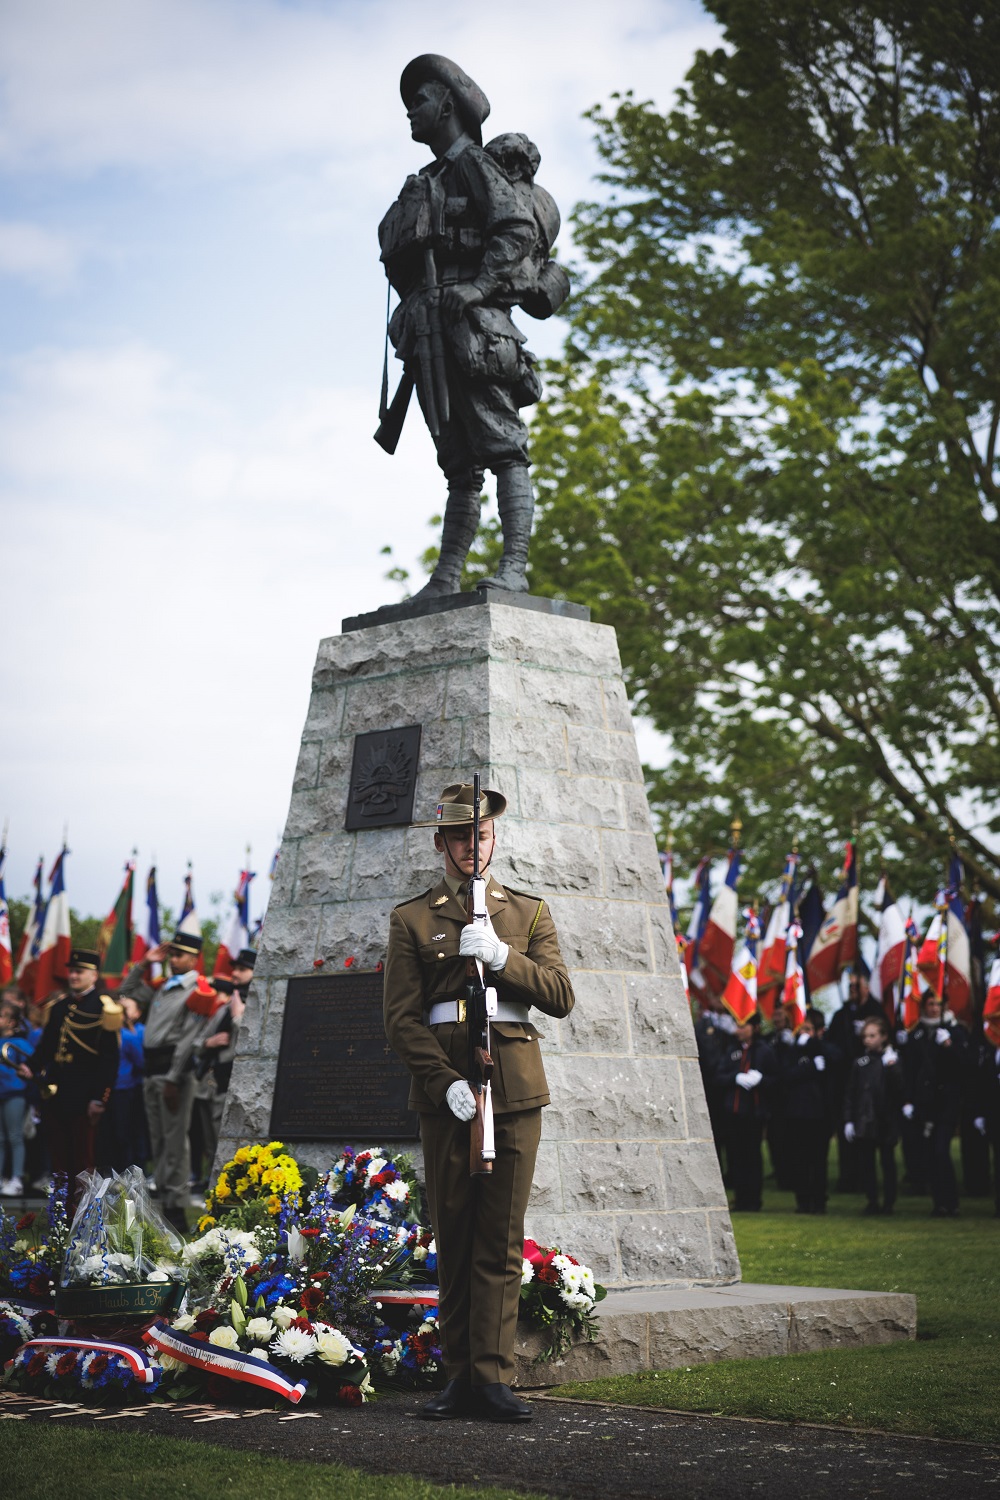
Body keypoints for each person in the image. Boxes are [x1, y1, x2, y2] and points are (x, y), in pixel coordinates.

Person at [384, 782, 574, 1423]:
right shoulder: (412, 919)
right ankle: (459, 1376)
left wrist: (502, 956)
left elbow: (558, 994)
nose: (473, 847)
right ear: (442, 843)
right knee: (455, 1233)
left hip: (514, 1091)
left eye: (483, 835)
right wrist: (445, 1084)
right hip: (450, 1099)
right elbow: (402, 1021)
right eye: (461, 837)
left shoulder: (527, 912)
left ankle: (493, 1377)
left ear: (495, 839)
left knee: (498, 1236)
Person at [377, 55, 568, 596]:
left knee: (503, 447)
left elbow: (514, 229)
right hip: (430, 330)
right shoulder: (428, 178)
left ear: (447, 104)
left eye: (418, 101)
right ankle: (446, 578)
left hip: (474, 331)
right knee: (459, 467)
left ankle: (515, 568)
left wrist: (481, 288)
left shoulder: (474, 166)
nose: (410, 112)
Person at [119, 930, 221, 1235]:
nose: (172, 959)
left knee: (175, 1142)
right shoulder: (164, 987)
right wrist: (144, 963)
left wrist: (175, 1078)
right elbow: (122, 993)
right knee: (159, 1141)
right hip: (152, 1071)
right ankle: (163, 1201)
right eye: (170, 954)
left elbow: (188, 1040)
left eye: (179, 954)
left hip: (173, 1073)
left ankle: (176, 1208)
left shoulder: (198, 991)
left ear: (193, 958)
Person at [15, 948, 122, 1211]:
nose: (73, 975)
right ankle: (61, 1213)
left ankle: (84, 1214)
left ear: (94, 975)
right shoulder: (60, 1006)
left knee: (83, 1159)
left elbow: (110, 1059)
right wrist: (30, 1066)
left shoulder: (105, 1008)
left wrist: (100, 1097)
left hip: (86, 1094)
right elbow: (47, 1046)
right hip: (57, 1092)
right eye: (72, 971)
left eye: (80, 971)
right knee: (59, 1157)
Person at [900, 992, 971, 1217]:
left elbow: (963, 1067)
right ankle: (939, 1203)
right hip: (925, 1103)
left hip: (947, 1102)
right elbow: (910, 1070)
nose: (934, 1009)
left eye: (938, 1004)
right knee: (929, 1153)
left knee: (941, 1151)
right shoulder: (918, 1033)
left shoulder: (955, 1031)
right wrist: (908, 1099)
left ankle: (952, 1202)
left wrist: (949, 1045)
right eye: (930, 1004)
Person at [826, 964, 884, 1191]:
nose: (851, 989)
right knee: (846, 1131)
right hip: (845, 1082)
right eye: (849, 985)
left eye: (855, 985)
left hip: (870, 1083)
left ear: (866, 987)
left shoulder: (875, 1010)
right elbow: (830, 1043)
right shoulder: (842, 1014)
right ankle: (847, 1177)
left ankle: (866, 1179)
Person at [779, 1007, 842, 1214]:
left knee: (818, 1159)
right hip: (796, 1114)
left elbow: (836, 1059)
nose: (803, 1033)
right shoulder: (793, 1051)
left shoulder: (825, 1048)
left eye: (807, 1029)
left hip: (819, 1115)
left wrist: (815, 1046)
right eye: (801, 1029)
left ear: (819, 1031)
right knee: (799, 1159)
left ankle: (819, 1200)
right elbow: (786, 1074)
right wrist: (810, 1067)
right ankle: (803, 1200)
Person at [713, 1010, 777, 1212]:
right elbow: (719, 1077)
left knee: (753, 1156)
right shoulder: (731, 1049)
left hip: (754, 1112)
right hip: (734, 1111)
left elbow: (776, 1080)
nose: (739, 1030)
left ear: (754, 1028)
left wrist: (762, 1081)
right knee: (736, 1156)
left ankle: (753, 1199)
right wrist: (735, 1077)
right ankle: (741, 1198)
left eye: (744, 1026)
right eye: (737, 1025)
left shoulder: (764, 1051)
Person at [843, 1014, 903, 1215]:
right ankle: (872, 1200)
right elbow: (851, 1092)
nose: (868, 1040)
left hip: (886, 1118)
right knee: (867, 1164)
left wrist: (892, 1067)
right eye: (865, 1036)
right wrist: (849, 1120)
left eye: (872, 1035)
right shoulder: (860, 1062)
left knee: (887, 1162)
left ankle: (889, 1202)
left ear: (884, 1036)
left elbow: (899, 1090)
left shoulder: (893, 1059)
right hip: (866, 1119)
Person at [96, 995, 146, 1175]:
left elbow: (140, 1062)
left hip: (123, 1089)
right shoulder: (102, 1036)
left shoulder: (128, 1037)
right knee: (106, 1133)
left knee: (123, 1132)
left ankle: (126, 1169)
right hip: (106, 1090)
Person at [0, 1001, 40, 1195]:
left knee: (15, 1136)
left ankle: (17, 1178)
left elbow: (31, 1068)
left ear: (12, 1022)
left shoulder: (20, 1043)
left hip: (14, 1094)